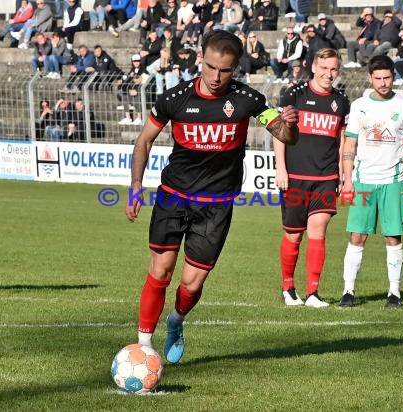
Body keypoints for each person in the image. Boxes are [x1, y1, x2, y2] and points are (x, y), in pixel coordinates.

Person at [125, 30, 299, 363]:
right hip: (173, 197)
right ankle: (144, 349)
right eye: (210, 67)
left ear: (235, 68)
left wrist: (289, 124)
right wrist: (136, 186)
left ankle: (176, 321)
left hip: (216, 206)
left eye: (225, 70)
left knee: (191, 284)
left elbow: (286, 136)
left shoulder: (248, 100)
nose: (216, 77)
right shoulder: (175, 98)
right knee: (160, 270)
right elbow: (143, 141)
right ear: (200, 58)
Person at [339, 55, 403, 308]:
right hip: (363, 180)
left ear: (393, 77)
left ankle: (394, 293)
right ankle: (348, 291)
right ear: (369, 78)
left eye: (387, 78)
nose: (383, 83)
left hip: (394, 181)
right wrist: (348, 180)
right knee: (357, 236)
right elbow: (349, 143)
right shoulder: (360, 106)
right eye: (378, 78)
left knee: (393, 238)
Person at [274, 48, 350, 307]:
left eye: (334, 69)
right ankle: (288, 288)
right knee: (294, 235)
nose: (329, 74)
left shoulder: (341, 101)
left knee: (318, 232)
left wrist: (342, 172)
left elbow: (341, 142)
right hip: (295, 176)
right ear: (314, 67)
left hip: (326, 178)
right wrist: (281, 169)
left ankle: (313, 293)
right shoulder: (294, 94)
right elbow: (280, 133)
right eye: (325, 68)